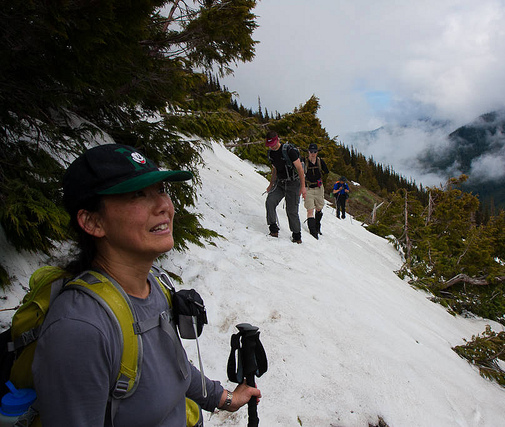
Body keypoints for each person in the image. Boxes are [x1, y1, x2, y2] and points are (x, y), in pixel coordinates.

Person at [32, 143, 261, 426]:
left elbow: (172, 370)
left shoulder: (155, 286)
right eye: (138, 194)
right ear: (92, 222)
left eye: (161, 190)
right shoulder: (80, 329)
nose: (164, 206)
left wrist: (224, 398)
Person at [264, 131, 307, 243]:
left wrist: (303, 187)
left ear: (278, 140)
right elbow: (275, 169)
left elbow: (300, 169)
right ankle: (273, 229)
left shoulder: (289, 151)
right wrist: (271, 184)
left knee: (291, 210)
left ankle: (297, 236)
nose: (272, 147)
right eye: (270, 145)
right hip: (280, 183)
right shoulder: (271, 153)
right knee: (270, 201)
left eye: (273, 144)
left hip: (293, 183)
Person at [303, 142, 329, 239]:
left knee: (319, 208)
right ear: (308, 152)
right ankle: (313, 231)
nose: (313, 154)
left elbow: (326, 172)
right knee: (310, 210)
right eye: (311, 152)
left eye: (314, 151)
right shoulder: (304, 162)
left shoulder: (320, 162)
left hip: (318, 188)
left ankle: (317, 226)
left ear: (317, 152)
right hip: (308, 188)